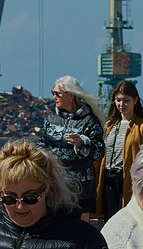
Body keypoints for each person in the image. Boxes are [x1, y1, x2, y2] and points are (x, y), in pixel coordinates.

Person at [38, 77, 106, 219]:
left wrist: (82, 144)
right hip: (55, 183)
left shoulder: (89, 121)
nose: (54, 97)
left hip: (81, 188)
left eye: (58, 93)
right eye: (53, 93)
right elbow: (41, 145)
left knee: (80, 230)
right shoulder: (51, 119)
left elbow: (99, 153)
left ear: (71, 95)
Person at [98, 79, 143, 216]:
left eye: (126, 100)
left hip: (129, 180)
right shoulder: (110, 125)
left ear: (135, 100)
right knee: (109, 217)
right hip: (109, 177)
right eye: (118, 100)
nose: (121, 104)